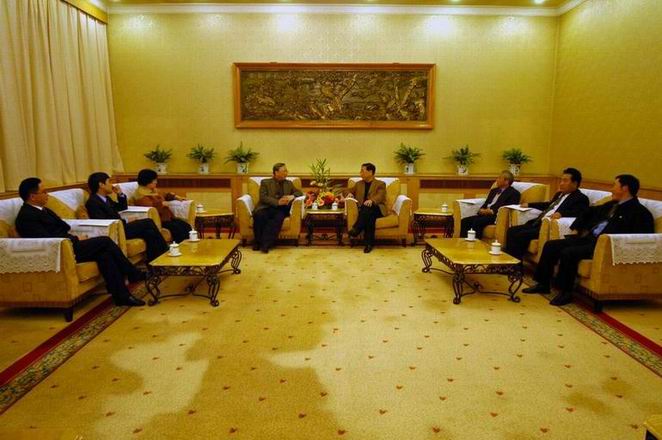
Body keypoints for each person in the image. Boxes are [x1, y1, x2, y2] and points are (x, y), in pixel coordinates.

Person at [523, 174, 655, 306]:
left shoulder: (640, 213)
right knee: (551, 245)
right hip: (589, 239)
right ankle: (543, 284)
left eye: (614, 186)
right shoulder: (612, 205)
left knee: (568, 253)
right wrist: (577, 227)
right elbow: (588, 211)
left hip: (604, 247)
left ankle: (566, 292)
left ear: (624, 188)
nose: (611, 189)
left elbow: (642, 238)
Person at [15, 178, 145, 306]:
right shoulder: (26, 216)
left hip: (68, 244)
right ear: (32, 196)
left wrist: (74, 237)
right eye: (43, 192)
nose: (47, 195)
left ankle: (122, 296)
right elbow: (46, 240)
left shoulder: (43, 209)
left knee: (105, 255)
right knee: (105, 241)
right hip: (60, 252)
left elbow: (63, 226)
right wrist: (76, 239)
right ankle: (132, 272)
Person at [504, 168, 589, 260]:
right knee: (511, 230)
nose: (561, 183)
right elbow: (548, 205)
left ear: (575, 183)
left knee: (521, 235)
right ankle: (508, 261)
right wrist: (529, 204)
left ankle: (516, 264)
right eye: (561, 180)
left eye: (565, 181)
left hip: (547, 226)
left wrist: (562, 214)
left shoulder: (581, 198)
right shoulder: (559, 194)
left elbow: (580, 212)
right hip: (538, 222)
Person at [86, 172, 168, 262]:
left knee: (149, 233)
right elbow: (103, 221)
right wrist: (126, 220)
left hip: (122, 226)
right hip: (115, 230)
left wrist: (120, 194)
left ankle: (155, 262)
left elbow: (122, 207)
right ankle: (165, 253)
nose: (111, 185)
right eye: (109, 182)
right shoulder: (93, 202)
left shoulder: (106, 199)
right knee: (148, 222)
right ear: (101, 185)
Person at [253, 163, 303, 253]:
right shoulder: (265, 182)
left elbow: (299, 193)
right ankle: (257, 242)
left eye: (286, 171)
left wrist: (292, 196)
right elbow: (263, 197)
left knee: (277, 219)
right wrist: (277, 202)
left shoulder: (289, 183)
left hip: (281, 209)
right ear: (276, 172)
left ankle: (265, 244)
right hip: (266, 207)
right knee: (259, 215)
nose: (286, 172)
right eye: (284, 171)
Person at [134, 169, 192, 243]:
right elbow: (149, 208)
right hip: (158, 220)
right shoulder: (139, 195)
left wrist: (175, 197)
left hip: (167, 218)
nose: (156, 182)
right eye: (154, 180)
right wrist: (161, 204)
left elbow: (165, 194)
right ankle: (180, 247)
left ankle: (189, 246)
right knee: (177, 229)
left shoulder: (153, 190)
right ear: (147, 181)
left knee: (186, 226)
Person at [459, 170, 520, 239]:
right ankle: (462, 242)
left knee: (478, 222)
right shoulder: (494, 190)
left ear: (506, 181)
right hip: (485, 214)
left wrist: (491, 211)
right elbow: (486, 203)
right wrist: (481, 209)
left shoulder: (514, 193)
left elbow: (509, 208)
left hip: (496, 216)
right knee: (465, 221)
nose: (497, 180)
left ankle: (475, 243)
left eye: (499, 178)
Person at [343, 163, 387, 254]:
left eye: (362, 171)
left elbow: (380, 196)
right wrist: (349, 193)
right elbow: (346, 190)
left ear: (370, 172)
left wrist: (372, 200)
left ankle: (356, 229)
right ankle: (368, 244)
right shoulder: (359, 184)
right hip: (365, 211)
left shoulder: (380, 184)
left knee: (368, 208)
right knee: (370, 217)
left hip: (377, 209)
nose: (360, 173)